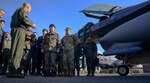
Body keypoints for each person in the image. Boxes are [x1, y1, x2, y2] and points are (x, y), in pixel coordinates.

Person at [7, 2, 36, 78]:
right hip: (19, 30)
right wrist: (32, 24)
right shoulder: (23, 9)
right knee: (18, 50)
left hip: (16, 29)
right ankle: (14, 69)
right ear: (27, 7)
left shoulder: (16, 11)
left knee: (14, 49)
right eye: (30, 9)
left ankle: (12, 69)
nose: (29, 11)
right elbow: (23, 18)